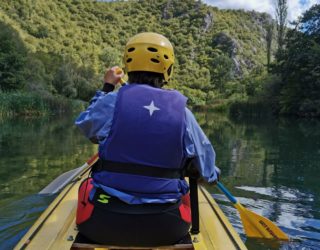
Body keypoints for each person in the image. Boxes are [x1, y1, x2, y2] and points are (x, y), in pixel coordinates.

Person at [75, 32, 220, 246]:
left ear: (127, 66)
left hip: (104, 223)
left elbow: (87, 126)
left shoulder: (113, 101)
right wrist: (209, 174)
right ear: (168, 70)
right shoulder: (183, 113)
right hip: (166, 226)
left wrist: (106, 88)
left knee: (85, 187)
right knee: (186, 192)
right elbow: (208, 171)